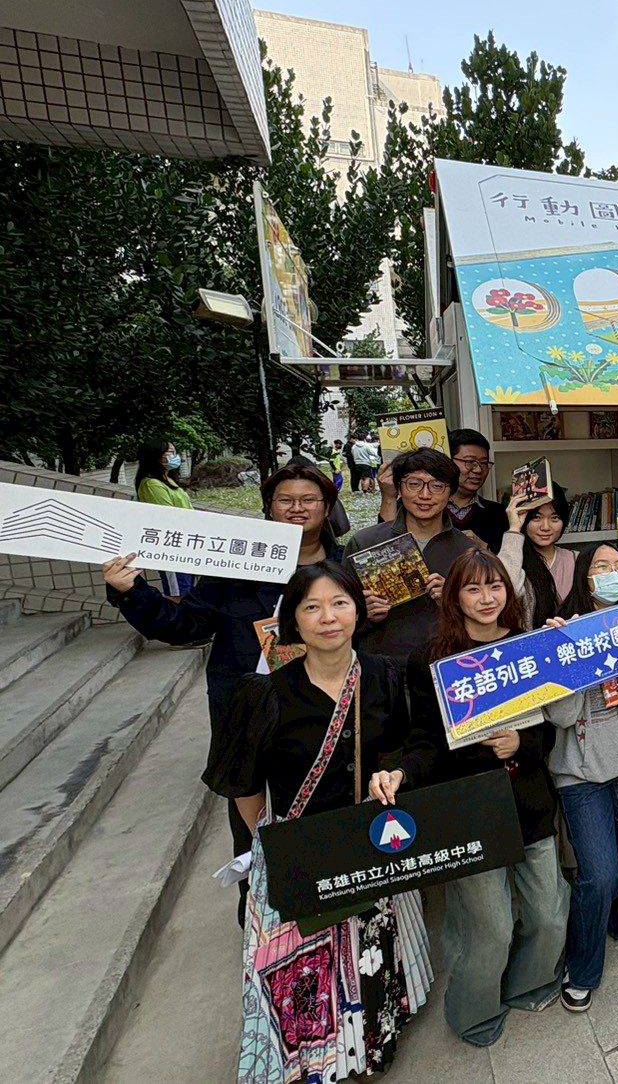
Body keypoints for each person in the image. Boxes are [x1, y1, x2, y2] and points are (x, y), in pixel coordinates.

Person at [202, 561, 435, 1079]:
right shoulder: (264, 693)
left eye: (340, 604)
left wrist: (395, 773)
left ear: (359, 611)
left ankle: (368, 1043)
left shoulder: (385, 677)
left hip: (369, 842)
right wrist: (270, 837)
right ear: (293, 620)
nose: (328, 618)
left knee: (369, 948)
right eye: (312, 607)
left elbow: (407, 745)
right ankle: (313, 1060)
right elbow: (244, 784)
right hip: (299, 845)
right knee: (302, 964)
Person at [103, 463, 343, 925]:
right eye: (285, 500)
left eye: (308, 500)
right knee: (253, 825)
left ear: (327, 507)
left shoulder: (347, 566)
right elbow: (185, 625)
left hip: (327, 715)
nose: (297, 508)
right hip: (249, 717)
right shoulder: (236, 566)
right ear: (268, 507)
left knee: (328, 817)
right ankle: (264, 928)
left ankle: (333, 924)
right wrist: (130, 590)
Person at [404, 550, 566, 1046]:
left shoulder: (526, 647)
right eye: (472, 588)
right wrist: (405, 772)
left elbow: (549, 730)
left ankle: (530, 982)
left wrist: (523, 743)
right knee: (488, 927)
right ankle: (472, 1012)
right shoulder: (430, 660)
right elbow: (425, 740)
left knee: (548, 912)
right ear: (453, 596)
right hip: (470, 808)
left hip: (528, 800)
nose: (487, 598)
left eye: (495, 586)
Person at [545, 543, 618, 1012]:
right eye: (601, 566)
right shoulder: (562, 630)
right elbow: (561, 717)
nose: (612, 574)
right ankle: (583, 966)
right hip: (578, 771)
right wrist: (568, 655)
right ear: (585, 578)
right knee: (598, 874)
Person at [345, 448, 478, 661]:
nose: (424, 495)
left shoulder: (467, 552)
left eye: (437, 486)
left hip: (445, 666)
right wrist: (361, 614)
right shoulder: (365, 543)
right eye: (414, 484)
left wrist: (453, 602)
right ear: (398, 488)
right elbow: (337, 614)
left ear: (451, 492)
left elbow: (484, 621)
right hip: (380, 667)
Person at [505, 485, 576, 628]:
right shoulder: (513, 560)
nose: (545, 527)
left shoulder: (576, 559)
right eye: (536, 518)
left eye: (554, 518)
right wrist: (514, 528)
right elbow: (506, 592)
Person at [134, 438, 194, 596]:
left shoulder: (169, 481)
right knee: (178, 594)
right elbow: (168, 517)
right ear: (155, 456)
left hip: (186, 545)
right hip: (172, 548)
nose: (176, 456)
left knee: (187, 592)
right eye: (170, 452)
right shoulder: (152, 484)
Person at [446, 429, 510, 551]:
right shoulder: (430, 508)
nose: (478, 470)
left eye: (484, 463)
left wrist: (484, 548)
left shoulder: (498, 513)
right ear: (449, 462)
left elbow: (511, 560)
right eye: (470, 462)